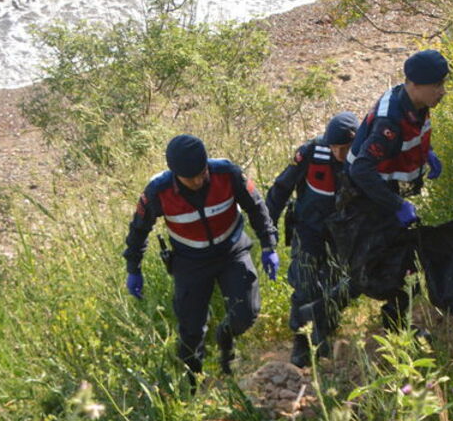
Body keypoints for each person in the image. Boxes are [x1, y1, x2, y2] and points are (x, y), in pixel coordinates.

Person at [122, 134, 277, 381]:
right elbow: (139, 229)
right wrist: (134, 268)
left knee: (245, 315)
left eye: (201, 173)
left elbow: (256, 206)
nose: (197, 180)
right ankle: (192, 383)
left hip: (231, 251)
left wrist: (269, 245)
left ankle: (225, 338)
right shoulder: (158, 191)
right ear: (175, 174)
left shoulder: (227, 174)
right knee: (191, 330)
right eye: (189, 177)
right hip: (189, 261)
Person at [344, 49, 447, 333]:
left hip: (385, 193)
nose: (442, 91)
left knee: (410, 259)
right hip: (365, 198)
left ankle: (397, 323)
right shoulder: (389, 121)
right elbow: (361, 170)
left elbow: (413, 134)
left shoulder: (417, 103)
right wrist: (396, 205)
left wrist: (428, 154)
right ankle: (328, 308)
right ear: (414, 84)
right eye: (436, 85)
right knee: (371, 273)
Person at [265, 111, 359, 368]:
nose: (339, 153)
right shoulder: (310, 153)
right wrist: (267, 232)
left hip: (341, 238)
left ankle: (324, 337)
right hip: (307, 230)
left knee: (332, 289)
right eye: (335, 148)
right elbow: (280, 190)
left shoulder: (365, 157)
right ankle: (301, 343)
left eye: (345, 148)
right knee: (304, 286)